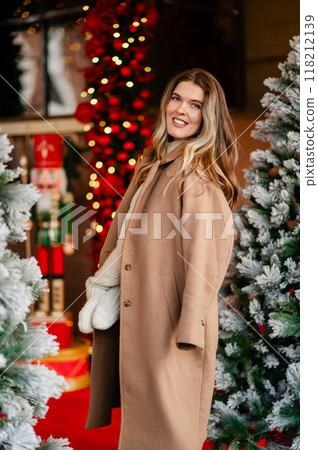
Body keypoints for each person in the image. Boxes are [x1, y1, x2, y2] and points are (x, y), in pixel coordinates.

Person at [79, 68, 238, 450]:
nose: (181, 110)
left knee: (170, 433)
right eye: (176, 98)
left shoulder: (194, 176)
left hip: (171, 330)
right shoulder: (154, 163)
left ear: (207, 117)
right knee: (145, 429)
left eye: (195, 105)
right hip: (144, 317)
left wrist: (189, 332)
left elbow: (205, 261)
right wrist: (105, 286)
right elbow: (129, 237)